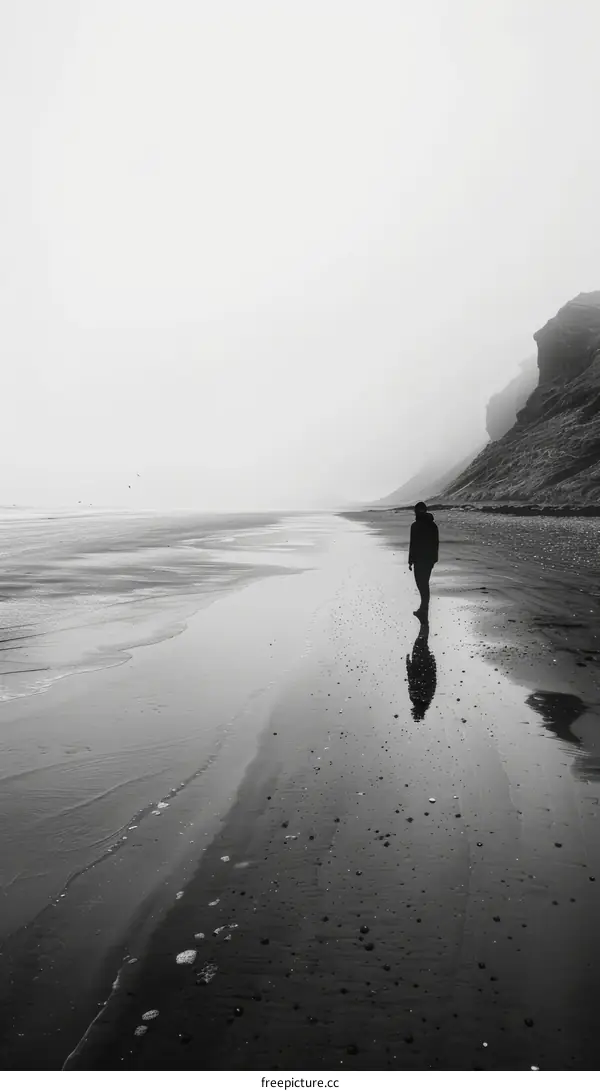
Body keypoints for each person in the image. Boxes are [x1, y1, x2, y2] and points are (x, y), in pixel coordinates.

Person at [408, 501, 439, 621]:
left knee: (422, 584)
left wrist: (410, 560)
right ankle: (424, 608)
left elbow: (413, 544)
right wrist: (434, 559)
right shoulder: (432, 525)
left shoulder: (415, 526)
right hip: (428, 559)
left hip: (421, 559)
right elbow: (436, 543)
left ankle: (424, 609)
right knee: (424, 583)